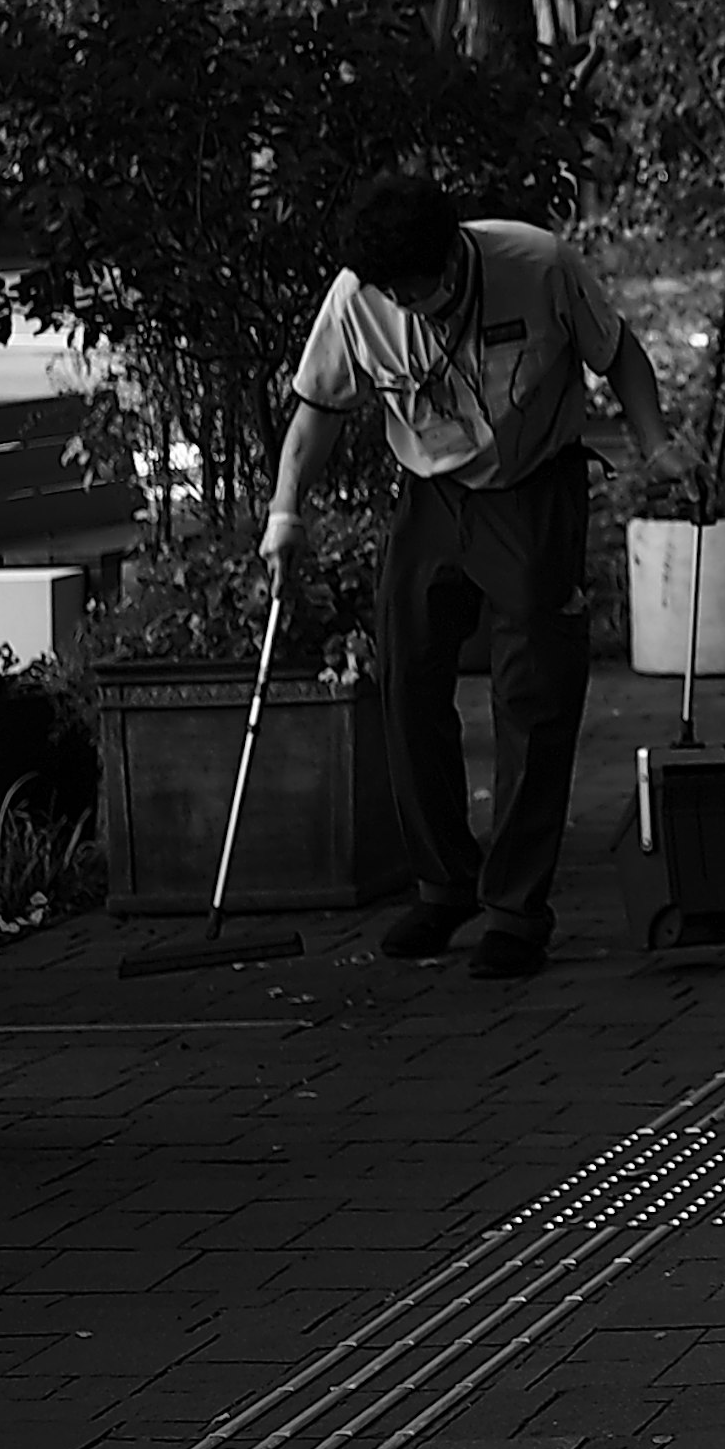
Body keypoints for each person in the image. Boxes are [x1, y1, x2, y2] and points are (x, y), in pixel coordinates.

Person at [265, 163, 668, 981]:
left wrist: (658, 448)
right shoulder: (357, 302)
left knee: (535, 691)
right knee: (406, 674)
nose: (421, 307)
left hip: (532, 487)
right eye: (403, 297)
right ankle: (443, 882)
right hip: (432, 494)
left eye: (433, 288)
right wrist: (285, 513)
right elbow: (318, 411)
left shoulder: (538, 263)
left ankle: (517, 909)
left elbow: (619, 354)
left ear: (456, 250)